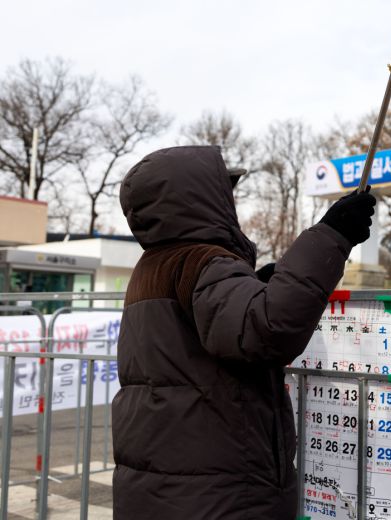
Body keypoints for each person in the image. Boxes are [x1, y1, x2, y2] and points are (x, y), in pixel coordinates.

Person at [112, 145, 376, 520]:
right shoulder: (202, 261)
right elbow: (267, 328)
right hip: (221, 487)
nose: (231, 201)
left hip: (167, 480)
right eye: (226, 191)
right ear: (199, 200)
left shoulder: (152, 266)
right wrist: (332, 235)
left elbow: (212, 327)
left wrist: (255, 284)